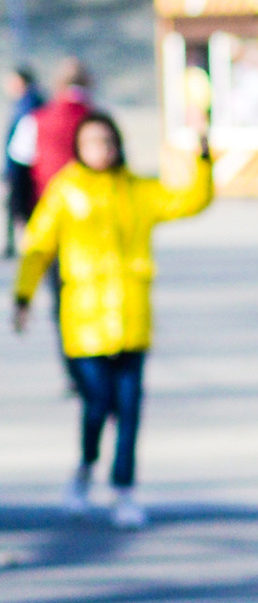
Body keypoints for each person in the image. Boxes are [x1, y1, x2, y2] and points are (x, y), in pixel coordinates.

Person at [12, 109, 213, 527]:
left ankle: (124, 488)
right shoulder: (66, 190)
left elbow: (190, 199)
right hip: (84, 323)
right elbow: (39, 244)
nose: (101, 150)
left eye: (107, 141)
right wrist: (23, 296)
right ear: (79, 148)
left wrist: (202, 153)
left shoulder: (136, 190)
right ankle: (84, 469)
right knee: (97, 403)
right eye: (92, 142)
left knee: (130, 408)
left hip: (131, 319)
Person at [30, 58, 93, 199]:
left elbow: (20, 166)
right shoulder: (96, 118)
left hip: (48, 197)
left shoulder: (38, 118)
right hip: (90, 198)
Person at [3, 67, 36, 245]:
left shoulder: (29, 103)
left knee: (20, 209)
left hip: (22, 167)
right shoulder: (23, 102)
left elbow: (22, 146)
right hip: (18, 166)